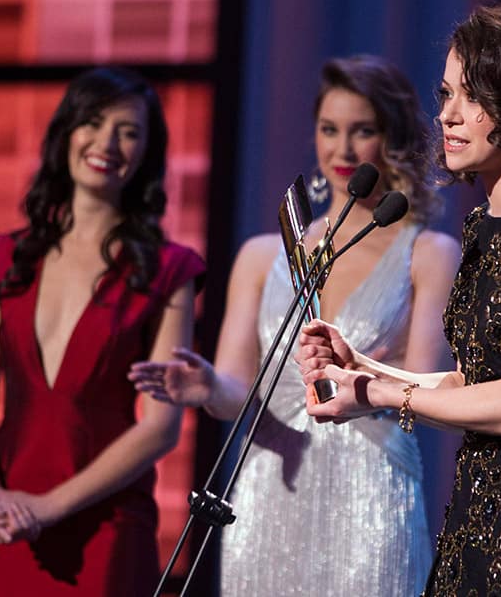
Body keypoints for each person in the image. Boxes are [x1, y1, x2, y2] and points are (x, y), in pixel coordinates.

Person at [298, 0, 501, 596]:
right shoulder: (484, 225)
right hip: (479, 512)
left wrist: (380, 392)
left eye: (471, 97)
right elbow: (472, 384)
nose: (448, 115)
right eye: (447, 94)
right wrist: (361, 370)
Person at [130, 55, 460, 596]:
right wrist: (208, 385)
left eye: (363, 131)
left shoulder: (428, 252)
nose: (343, 150)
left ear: (392, 137)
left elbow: (426, 391)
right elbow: (239, 392)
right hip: (266, 494)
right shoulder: (263, 256)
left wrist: (363, 381)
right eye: (329, 130)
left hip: (370, 494)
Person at [0, 66, 205, 596]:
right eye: (93, 122)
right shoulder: (5, 258)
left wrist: (48, 507)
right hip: (8, 521)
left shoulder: (167, 269)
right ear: (67, 132)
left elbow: (160, 428)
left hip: (107, 524)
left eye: (128, 131)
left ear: (145, 154)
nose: (107, 143)